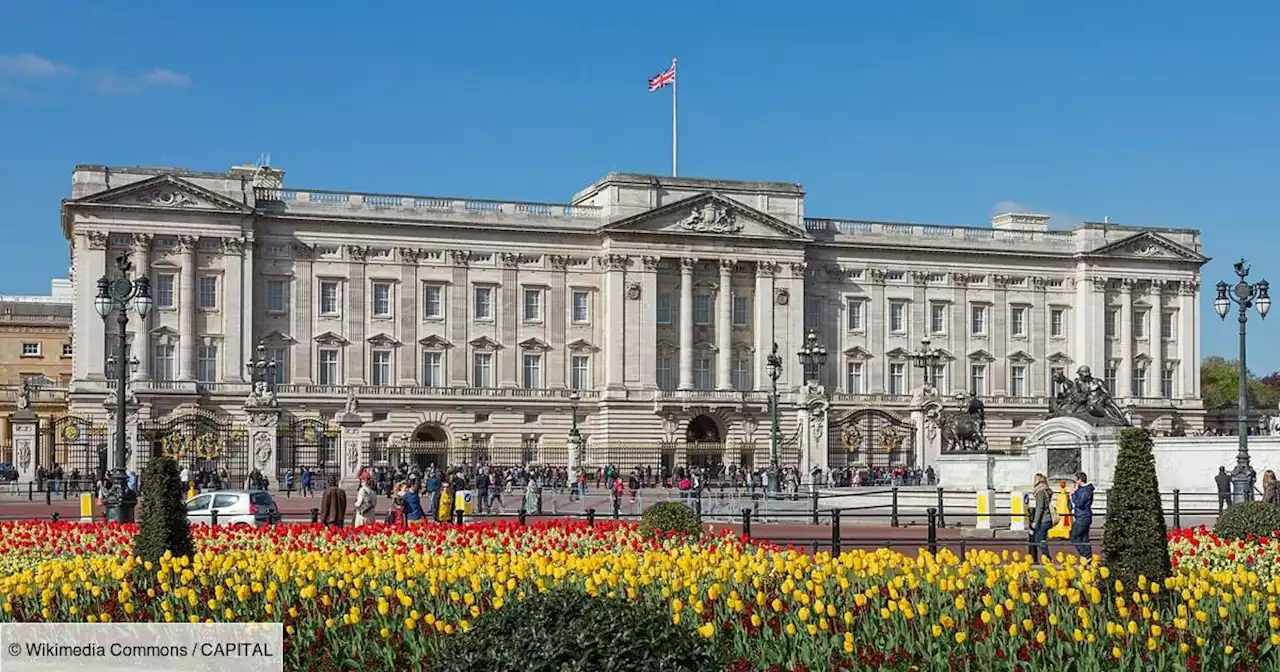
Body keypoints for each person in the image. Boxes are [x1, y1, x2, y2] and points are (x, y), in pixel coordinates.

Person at [1068, 472, 1095, 561]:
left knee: (1074, 536)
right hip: (1081, 516)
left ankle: (1086, 555)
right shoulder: (1081, 490)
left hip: (1083, 516)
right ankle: (1088, 558)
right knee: (1084, 538)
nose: (1075, 482)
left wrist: (1073, 494)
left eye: (1076, 480)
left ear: (1080, 480)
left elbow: (1080, 503)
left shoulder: (1086, 490)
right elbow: (1073, 504)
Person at [1027, 473, 1053, 564]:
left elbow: (1040, 507)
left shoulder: (1040, 492)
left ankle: (1047, 558)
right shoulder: (1047, 490)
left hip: (1043, 519)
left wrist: (1035, 521)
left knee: (1039, 539)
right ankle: (1046, 558)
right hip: (1048, 518)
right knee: (1040, 538)